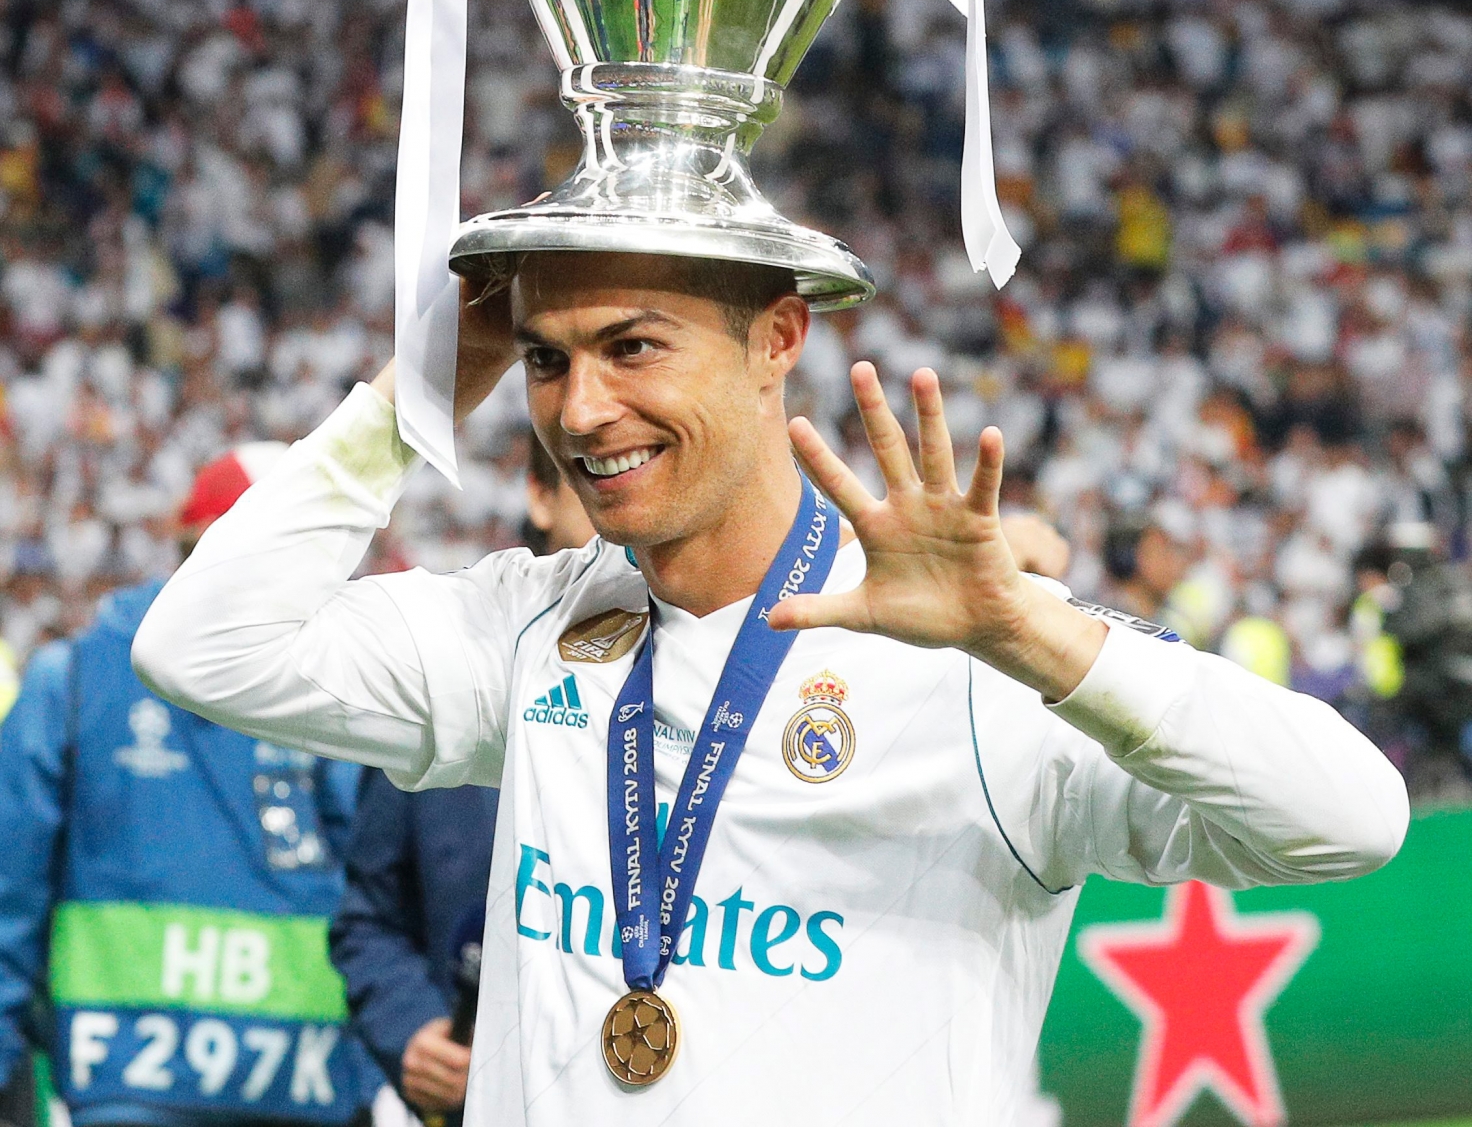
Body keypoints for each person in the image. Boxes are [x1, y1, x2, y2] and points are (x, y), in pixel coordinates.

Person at [133, 256, 1408, 1127]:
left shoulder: (976, 656)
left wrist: (1028, 627)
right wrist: (426, 380)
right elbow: (201, 644)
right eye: (541, 355)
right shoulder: (531, 624)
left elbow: (1350, 817)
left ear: (778, 336)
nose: (581, 409)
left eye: (632, 345)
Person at [0, 442, 374, 1127]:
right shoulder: (334, 683)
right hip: (295, 1077)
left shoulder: (73, 677)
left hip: (131, 1072)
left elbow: (10, 895)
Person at [330, 443, 594, 1117]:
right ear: (541, 494)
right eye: (591, 473)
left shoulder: (712, 681)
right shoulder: (456, 671)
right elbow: (371, 918)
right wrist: (413, 1031)